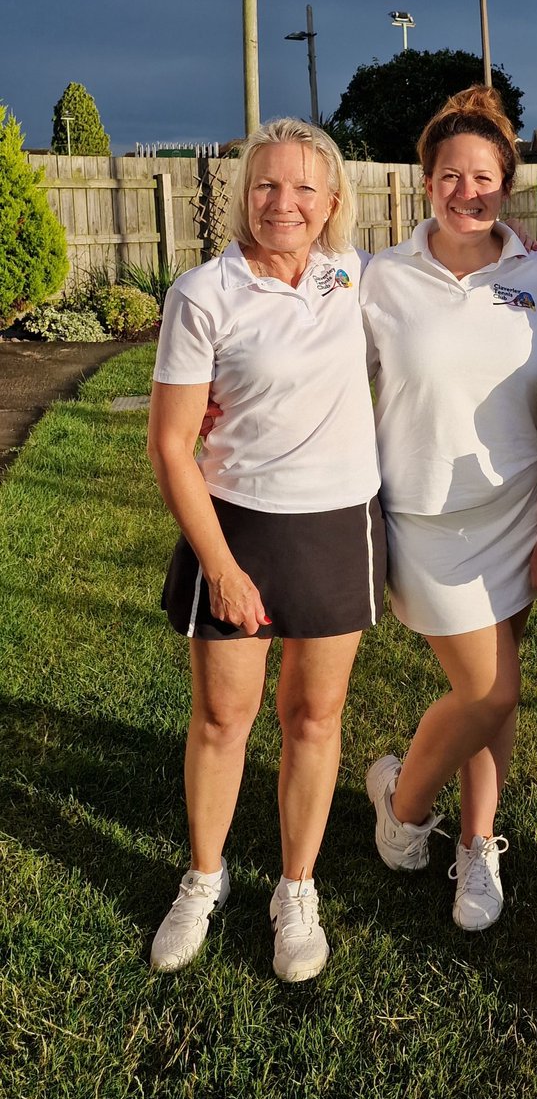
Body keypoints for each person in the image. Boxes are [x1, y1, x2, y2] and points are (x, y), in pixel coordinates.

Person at [146, 119, 384, 982]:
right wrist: (220, 567)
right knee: (223, 718)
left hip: (337, 523)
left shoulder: (355, 274)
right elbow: (171, 445)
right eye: (266, 185)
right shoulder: (203, 293)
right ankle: (203, 879)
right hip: (238, 526)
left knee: (314, 718)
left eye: (304, 188)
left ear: (332, 201)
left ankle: (296, 889)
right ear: (244, 193)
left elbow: (453, 273)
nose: (284, 203)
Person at [361, 87, 537, 931]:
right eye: (450, 175)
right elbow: (319, 369)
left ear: (507, 186)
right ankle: (402, 805)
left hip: (514, 513)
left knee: (495, 694)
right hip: (424, 522)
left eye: (484, 177)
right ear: (425, 182)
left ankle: (478, 844)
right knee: (488, 689)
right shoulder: (380, 276)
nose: (467, 192)